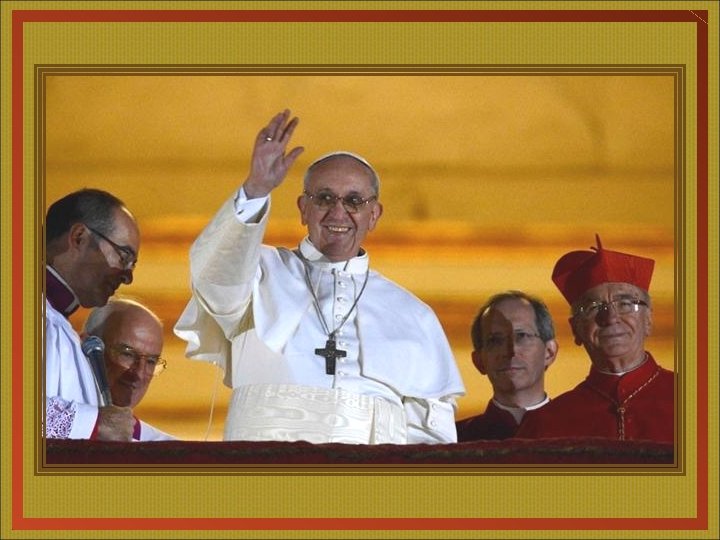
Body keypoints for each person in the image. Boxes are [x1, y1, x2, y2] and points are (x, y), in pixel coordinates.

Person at [174, 109, 465, 444]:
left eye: (354, 201)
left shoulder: (414, 315)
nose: (338, 213)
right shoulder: (259, 272)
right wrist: (256, 189)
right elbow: (214, 278)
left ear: (374, 215)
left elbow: (431, 434)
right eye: (325, 198)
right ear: (303, 208)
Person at [516, 235, 674, 443]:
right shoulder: (546, 424)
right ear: (576, 329)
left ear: (648, 320)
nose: (610, 318)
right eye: (593, 307)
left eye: (625, 304)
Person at [45, 188, 139, 440]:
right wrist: (96, 423)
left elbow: (125, 430)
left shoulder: (61, 326)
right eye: (123, 257)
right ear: (79, 238)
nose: (128, 277)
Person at [456, 291, 558, 441]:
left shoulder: (583, 433)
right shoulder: (455, 441)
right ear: (479, 361)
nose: (511, 351)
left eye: (522, 336)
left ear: (549, 352)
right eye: (495, 340)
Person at [82, 298, 176, 441]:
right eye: (127, 354)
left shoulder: (164, 448)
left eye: (151, 361)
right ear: (88, 346)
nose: (139, 374)